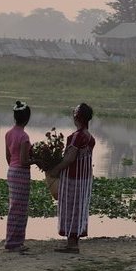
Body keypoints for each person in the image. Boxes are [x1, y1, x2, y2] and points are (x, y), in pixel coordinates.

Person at [48, 103, 95, 254]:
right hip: (85, 179)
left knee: (70, 208)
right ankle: (74, 242)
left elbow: (69, 159)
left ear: (77, 117)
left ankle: (72, 244)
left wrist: (54, 169)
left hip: (73, 179)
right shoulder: (89, 137)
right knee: (78, 208)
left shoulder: (77, 136)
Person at [4, 100, 32, 252]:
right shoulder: (24, 137)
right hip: (21, 173)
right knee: (20, 210)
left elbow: (8, 156)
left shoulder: (8, 134)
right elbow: (24, 161)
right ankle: (16, 242)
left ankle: (11, 240)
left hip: (12, 172)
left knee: (13, 207)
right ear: (27, 119)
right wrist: (37, 160)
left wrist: (13, 167)